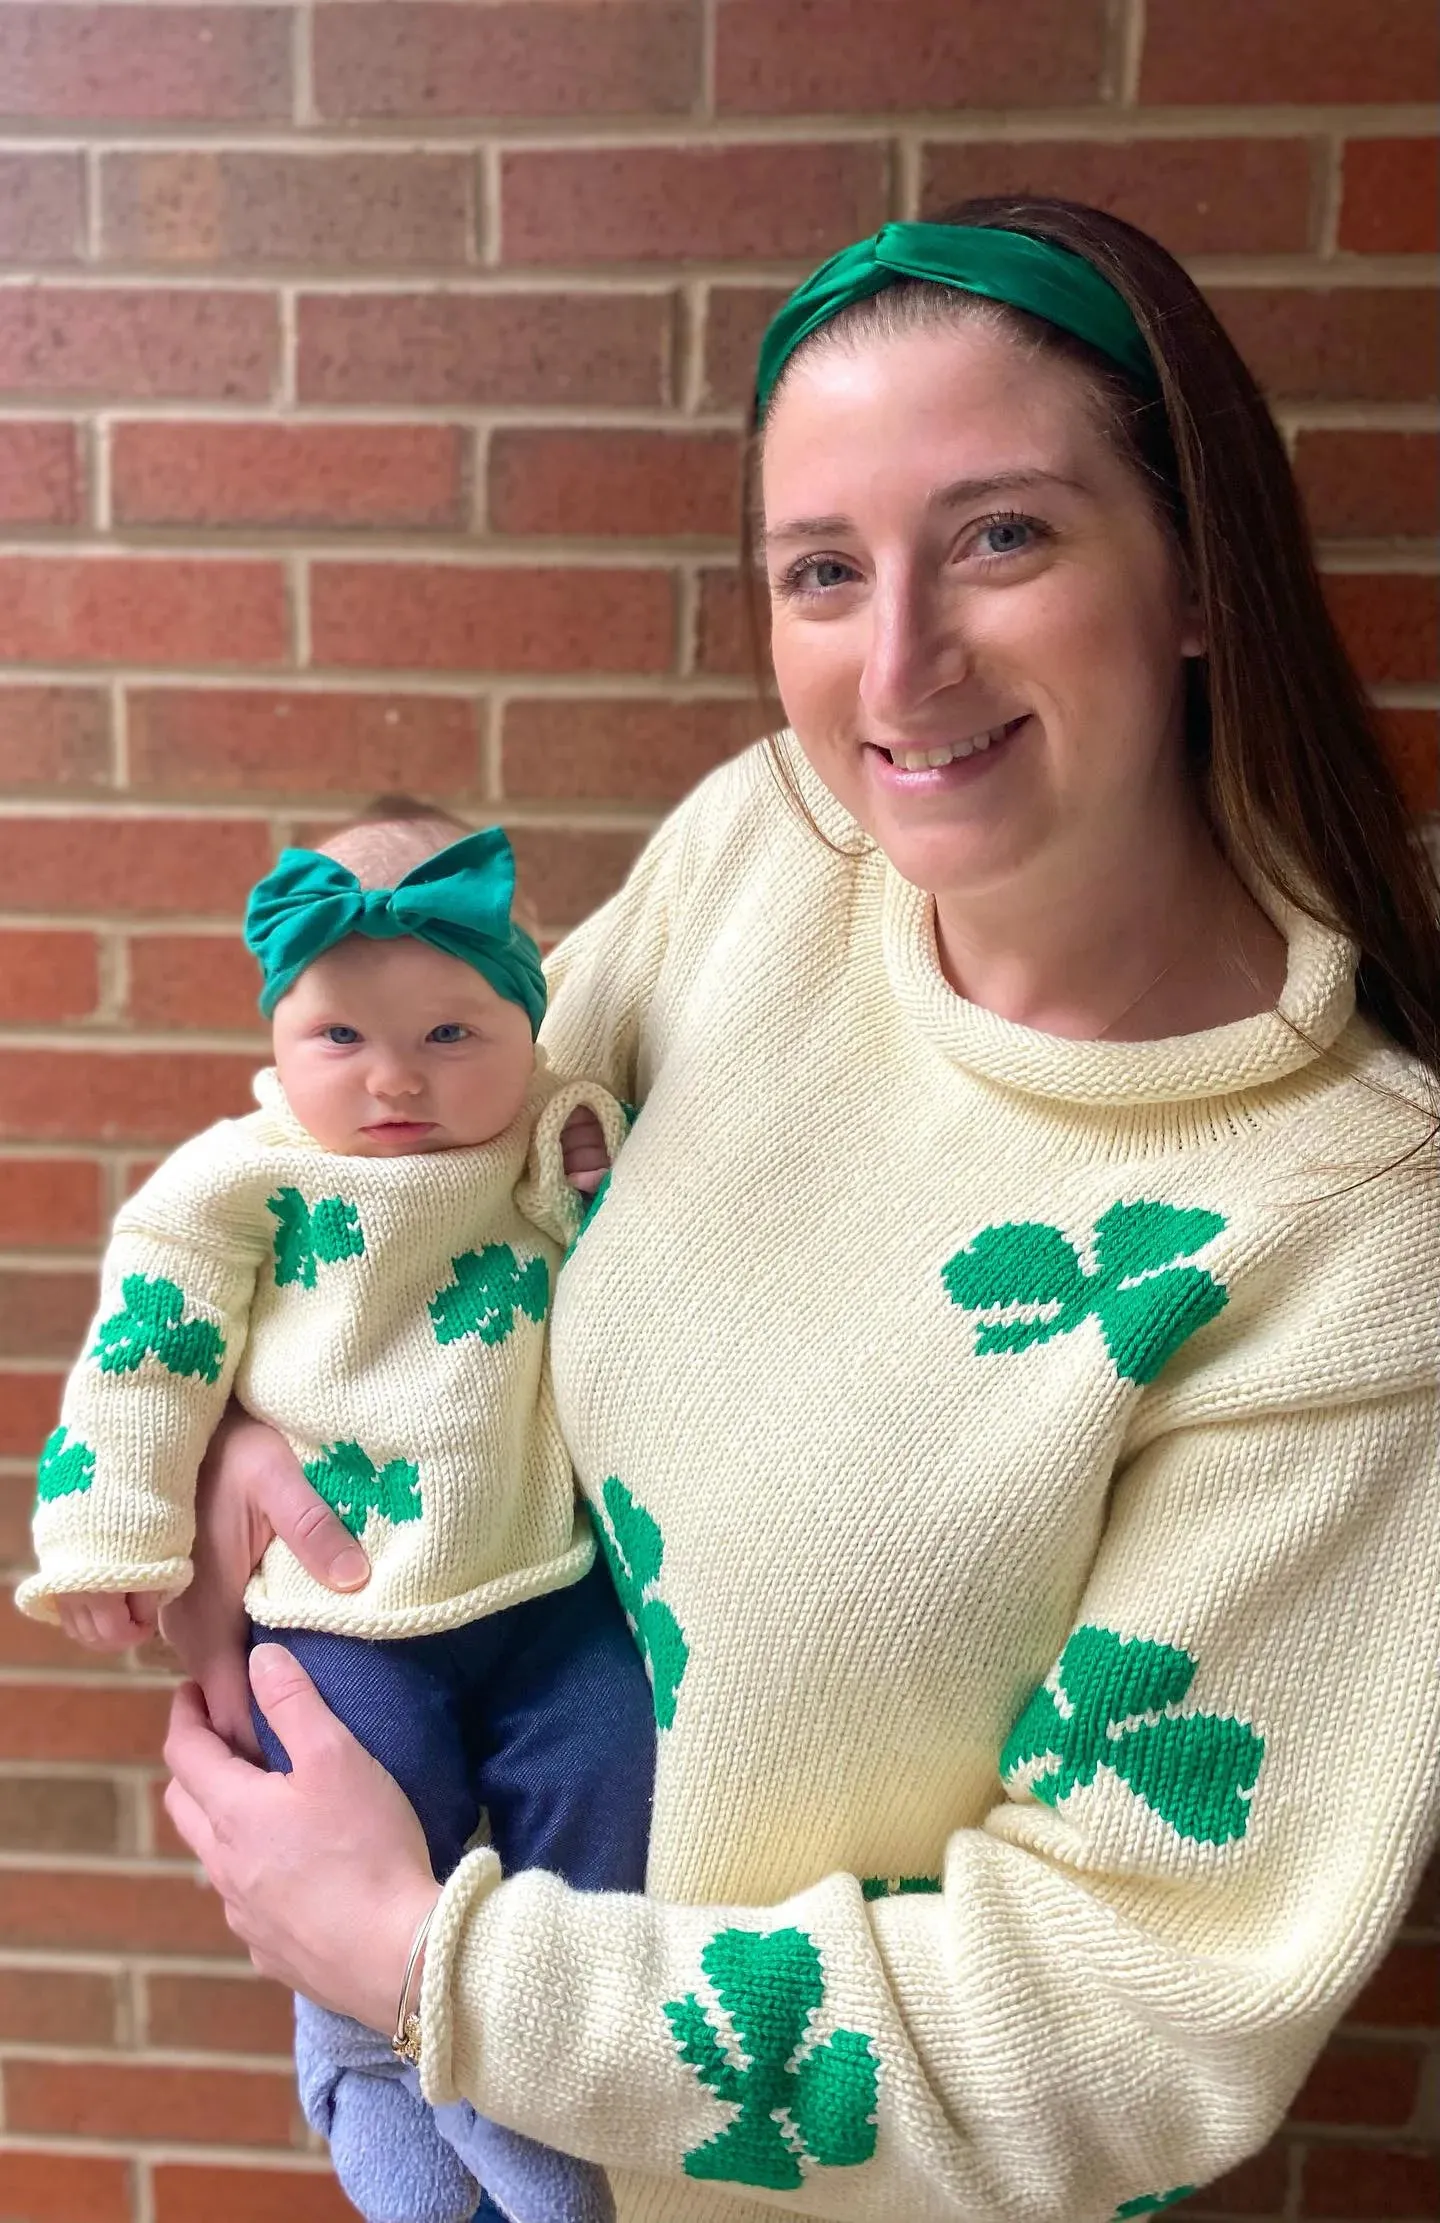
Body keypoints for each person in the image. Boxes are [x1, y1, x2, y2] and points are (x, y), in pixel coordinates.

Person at [155, 198, 1440, 2223]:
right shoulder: (768, 852)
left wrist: (431, 1965)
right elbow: (419, 1181)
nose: (900, 660)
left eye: (1003, 536)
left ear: (1196, 574)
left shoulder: (1345, 1229)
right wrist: (256, 1410)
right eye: (823, 570)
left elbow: (1131, 2012)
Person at [21, 807, 652, 2223]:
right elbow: (148, 1347)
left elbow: (648, 1262)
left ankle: (529, 2057)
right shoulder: (243, 1175)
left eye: (450, 1033)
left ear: (526, 1022)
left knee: (617, 1748)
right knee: (375, 1798)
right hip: (345, 1604)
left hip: (543, 1587)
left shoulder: (554, 1138)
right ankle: (371, 2060)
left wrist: (601, 1170)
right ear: (280, 1031)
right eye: (341, 1038)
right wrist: (114, 1537)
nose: (396, 1080)